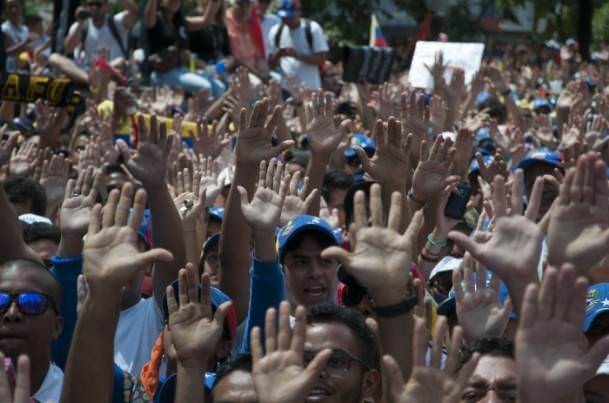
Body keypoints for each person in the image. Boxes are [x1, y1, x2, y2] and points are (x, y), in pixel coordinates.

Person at [0, 259, 64, 402]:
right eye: (1, 301)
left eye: (31, 302)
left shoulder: (79, 395)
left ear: (57, 326)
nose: (11, 314)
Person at [144, 0, 226, 94]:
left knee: (219, 87)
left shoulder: (180, 22)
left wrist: (214, 2)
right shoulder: (154, 19)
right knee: (205, 87)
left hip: (182, 70)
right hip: (163, 73)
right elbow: (148, 15)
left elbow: (205, 21)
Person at [49, 0, 138, 84]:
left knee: (120, 61)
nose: (94, 8)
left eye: (98, 4)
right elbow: (68, 49)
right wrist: (80, 22)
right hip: (89, 72)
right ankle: (89, 79)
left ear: (107, 6)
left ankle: (93, 79)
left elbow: (134, 12)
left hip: (113, 70)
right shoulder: (82, 25)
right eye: (90, 4)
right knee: (54, 57)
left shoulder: (116, 22)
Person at [268, 0, 328, 89]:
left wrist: (297, 55)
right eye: (284, 18)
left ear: (298, 12)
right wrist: (279, 54)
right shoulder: (276, 31)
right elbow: (270, 64)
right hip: (285, 90)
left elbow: (321, 60)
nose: (287, 20)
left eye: (289, 17)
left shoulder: (312, 29)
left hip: (310, 88)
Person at [2, 0, 32, 72]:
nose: (13, 10)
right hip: (10, 71)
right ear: (6, 11)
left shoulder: (25, 29)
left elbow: (28, 50)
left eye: (16, 6)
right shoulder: (4, 29)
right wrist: (25, 43)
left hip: (26, 68)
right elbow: (6, 52)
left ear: (20, 8)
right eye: (10, 7)